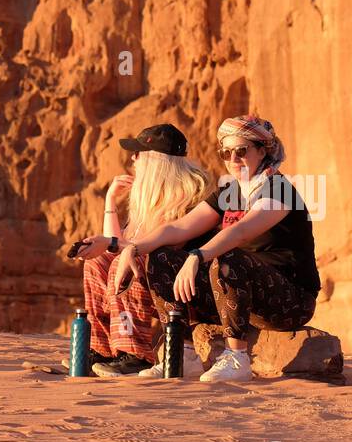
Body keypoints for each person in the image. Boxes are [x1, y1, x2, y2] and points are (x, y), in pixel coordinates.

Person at [111, 113, 320, 383]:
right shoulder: (230, 191)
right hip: (237, 295)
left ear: (262, 150)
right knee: (162, 256)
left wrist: (198, 256)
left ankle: (237, 358)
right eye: (226, 152)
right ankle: (183, 353)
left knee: (228, 255)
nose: (233, 159)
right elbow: (180, 227)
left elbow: (241, 232)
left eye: (241, 151)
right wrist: (134, 249)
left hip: (288, 301)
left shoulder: (280, 189)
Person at [71, 124, 210, 376]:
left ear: (156, 161)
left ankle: (136, 355)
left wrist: (113, 244)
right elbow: (115, 245)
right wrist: (110, 202)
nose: (133, 159)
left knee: (131, 260)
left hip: (186, 287)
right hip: (158, 278)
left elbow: (160, 248)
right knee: (98, 262)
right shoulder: (150, 198)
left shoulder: (191, 195)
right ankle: (103, 351)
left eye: (139, 153)